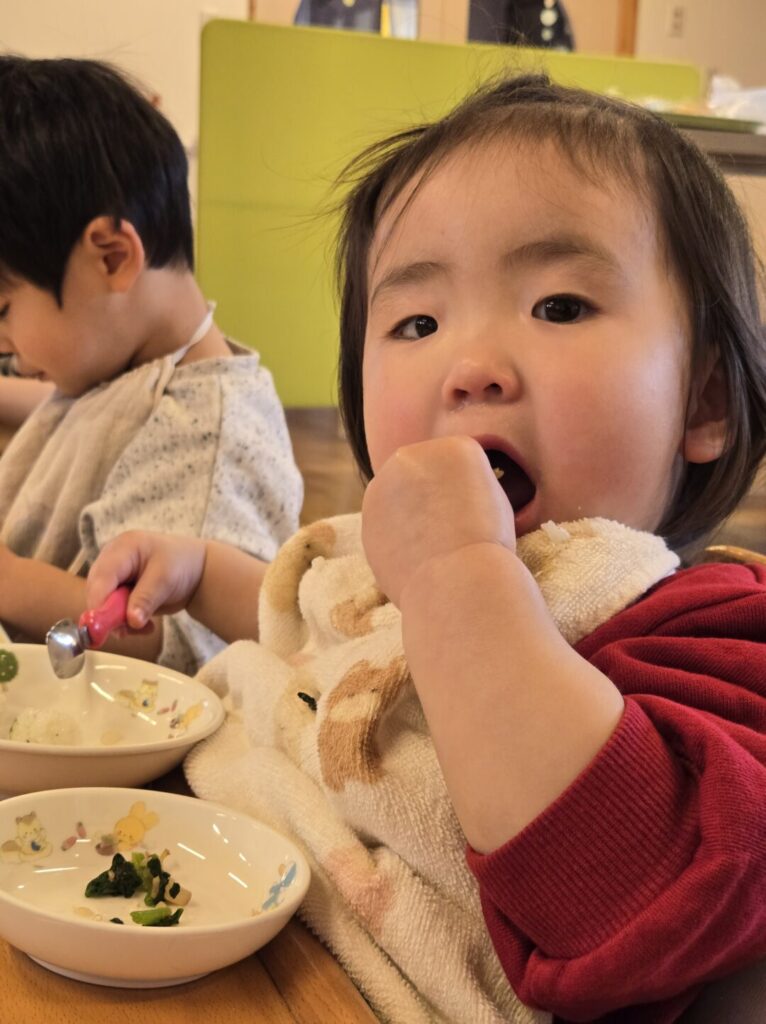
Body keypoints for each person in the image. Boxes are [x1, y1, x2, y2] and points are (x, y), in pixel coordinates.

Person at [86, 74, 766, 1022]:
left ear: (704, 399)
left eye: (560, 306)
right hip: (206, 903)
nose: (470, 367)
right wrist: (201, 573)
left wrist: (458, 578)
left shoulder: (703, 629)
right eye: (417, 323)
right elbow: (334, 627)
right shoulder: (398, 559)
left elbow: (627, 897)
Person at [0, 56, 302, 674]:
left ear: (112, 258)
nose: (2, 341)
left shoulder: (211, 436)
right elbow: (88, 423)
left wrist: (8, 581)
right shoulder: (126, 366)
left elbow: (175, 640)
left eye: (3, 309)